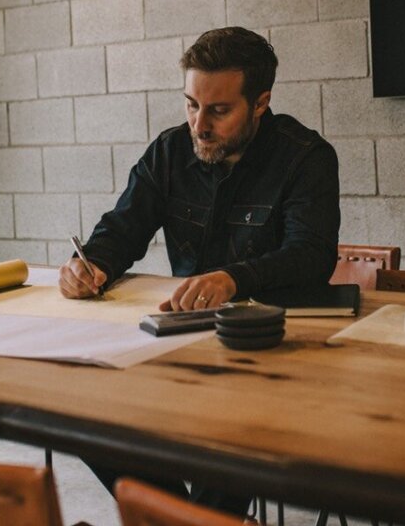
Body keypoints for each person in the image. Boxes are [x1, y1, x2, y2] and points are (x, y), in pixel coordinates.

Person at [57, 26, 340, 516]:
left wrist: (233, 278)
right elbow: (123, 228)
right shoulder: (168, 153)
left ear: (260, 102)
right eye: (191, 104)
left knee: (222, 443)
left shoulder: (305, 157)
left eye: (218, 110)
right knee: (85, 413)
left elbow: (311, 257)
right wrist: (92, 265)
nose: (198, 125)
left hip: (269, 356)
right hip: (177, 342)